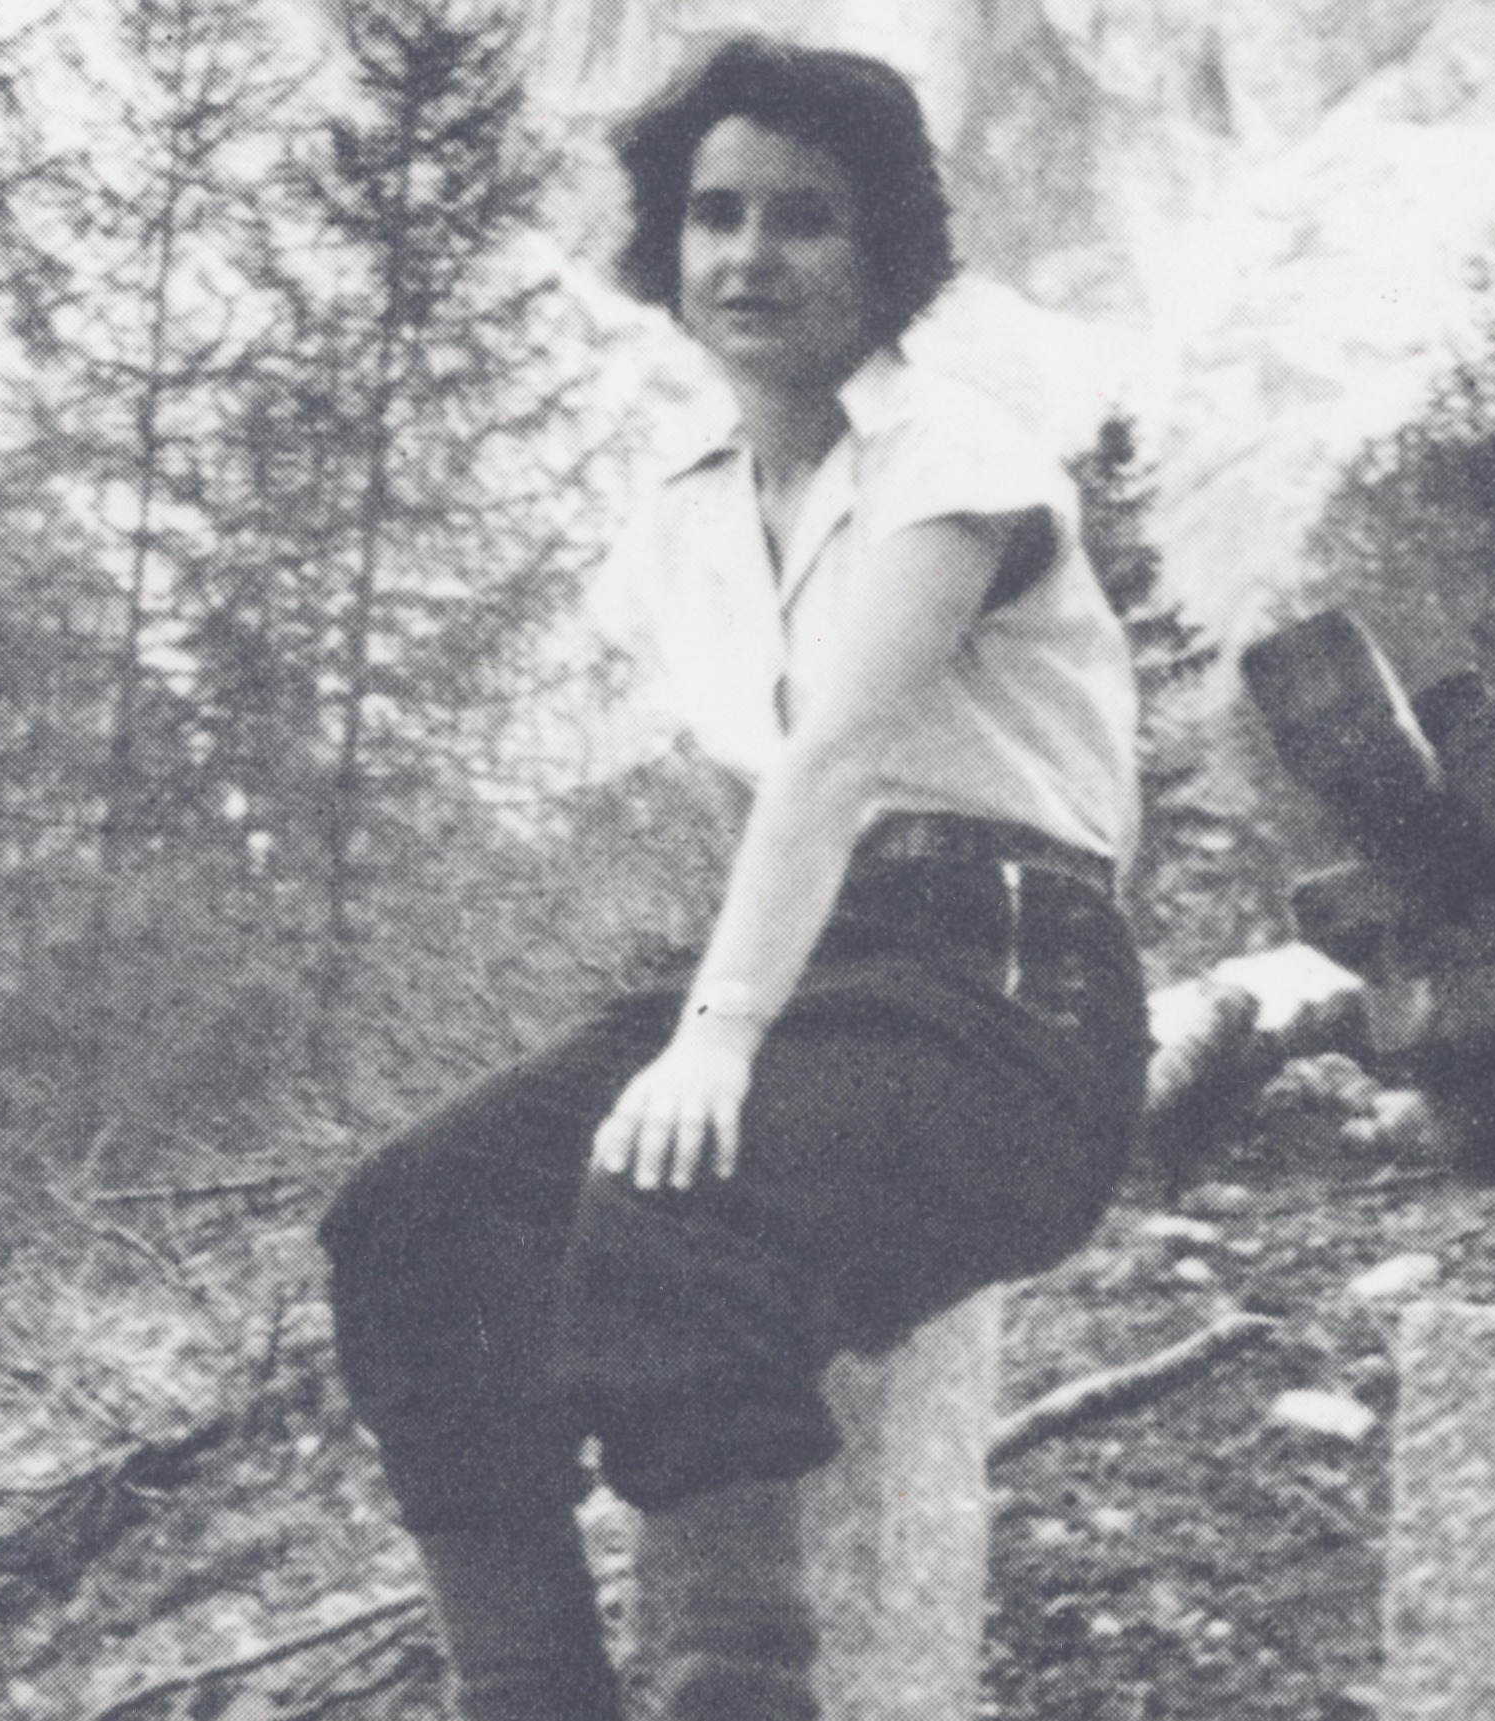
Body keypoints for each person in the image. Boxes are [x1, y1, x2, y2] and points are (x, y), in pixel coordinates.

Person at [319, 34, 1148, 1721]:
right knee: (413, 1214)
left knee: (674, 1190)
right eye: (716, 215)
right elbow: (767, 813)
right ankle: (532, 1694)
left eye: (806, 219)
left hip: (1008, 1004)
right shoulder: (689, 514)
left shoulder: (954, 463)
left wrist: (711, 1037)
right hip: (830, 981)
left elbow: (839, 760)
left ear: (887, 252)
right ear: (667, 243)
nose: (751, 256)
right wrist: (708, 1026)